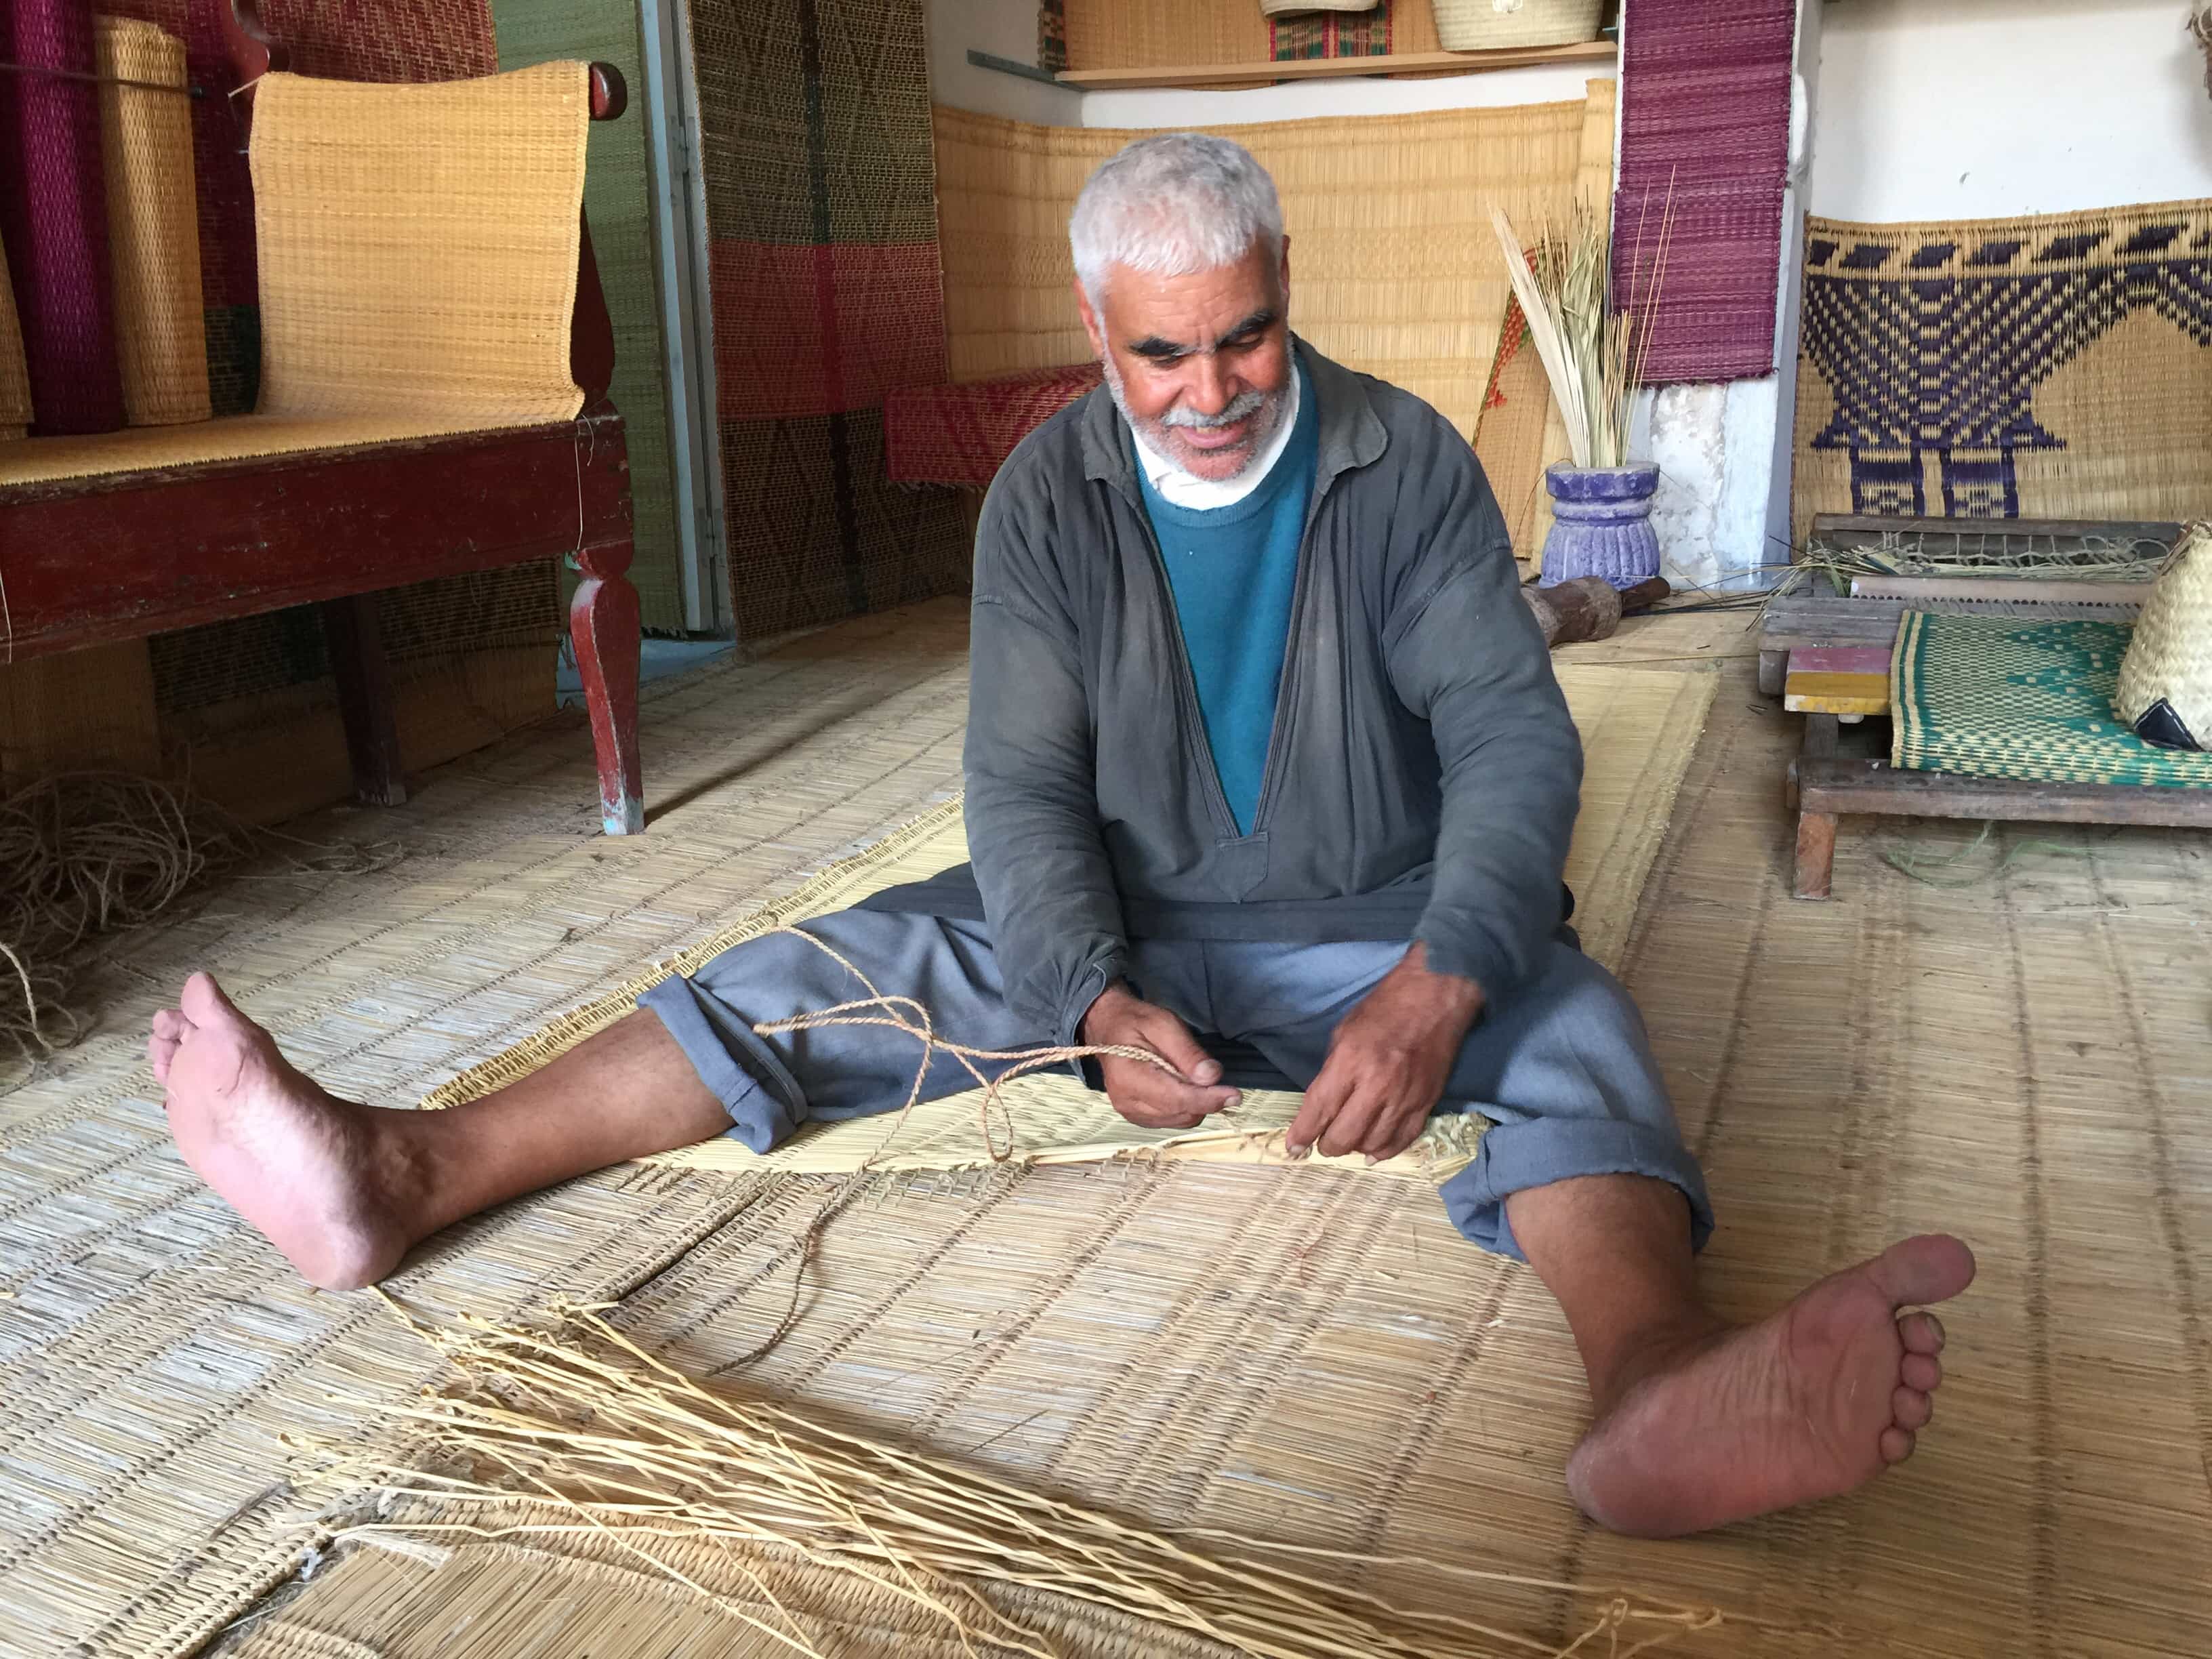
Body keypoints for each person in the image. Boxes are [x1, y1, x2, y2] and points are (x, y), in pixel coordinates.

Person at [150, 134, 1973, 1539]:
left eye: (1245, 333)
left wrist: (1438, 984)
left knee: (1569, 1026)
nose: (1210, 386)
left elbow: (1508, 734)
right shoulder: (1047, 498)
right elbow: (1020, 793)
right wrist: (1087, 999)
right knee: (844, 963)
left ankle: (1651, 1383)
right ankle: (407, 1175)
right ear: (1103, 331)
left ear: (1285, 295)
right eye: (1162, 350)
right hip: (1127, 933)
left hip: (1386, 930)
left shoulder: (1404, 460)